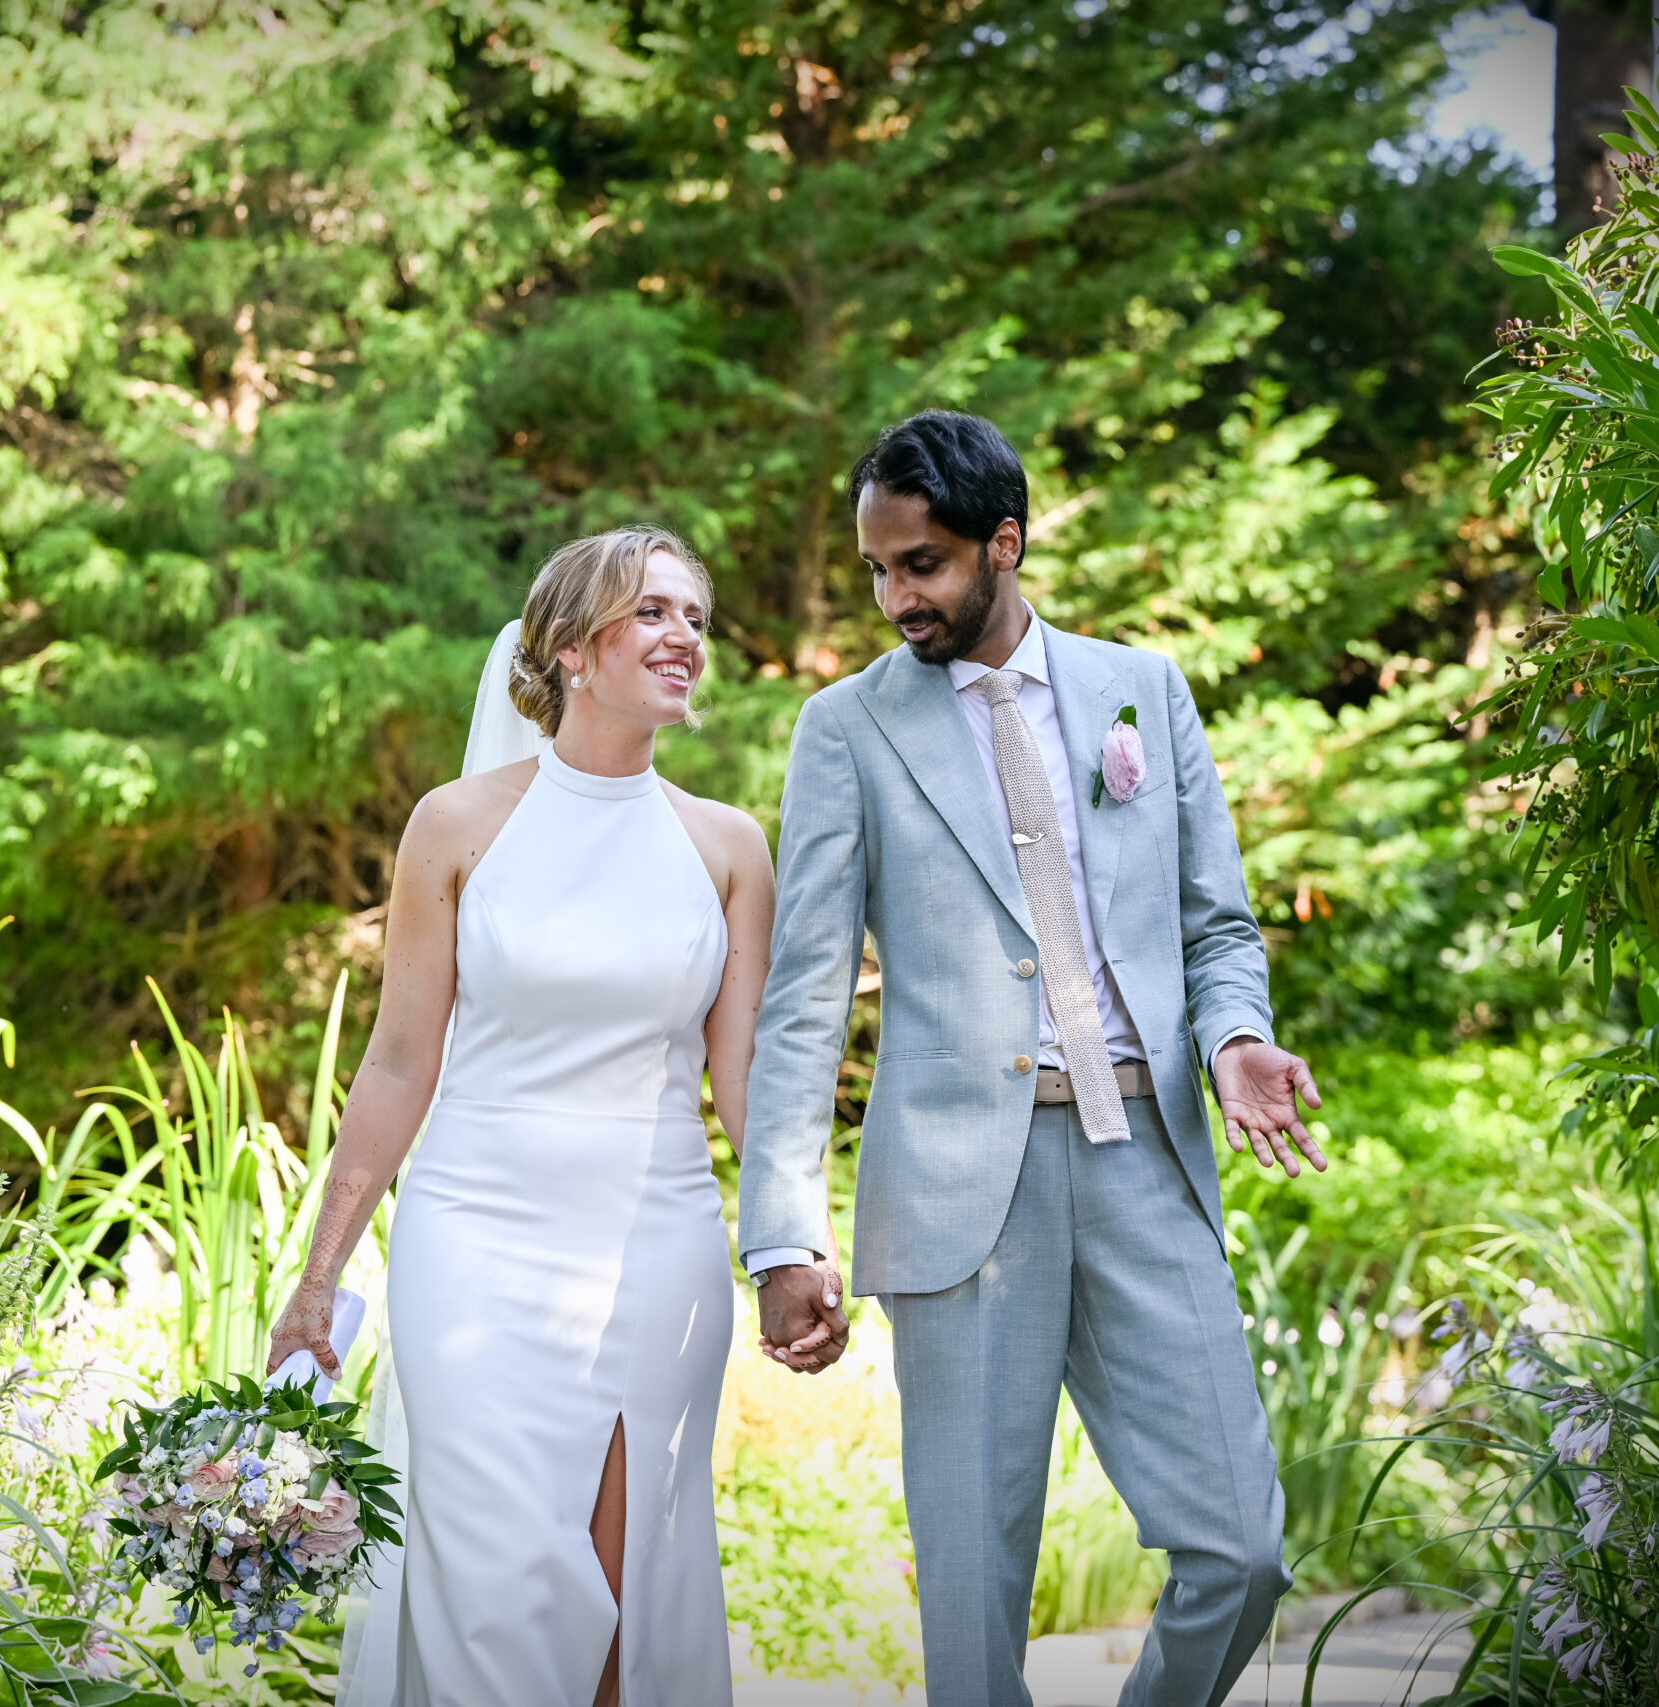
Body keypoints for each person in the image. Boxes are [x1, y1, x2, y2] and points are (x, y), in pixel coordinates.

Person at [738, 411, 1330, 1707]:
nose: (897, 597)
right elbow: (805, 996)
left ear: (1003, 543)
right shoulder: (846, 728)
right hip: (957, 1191)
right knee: (972, 1601)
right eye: (878, 569)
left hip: (1145, 1159)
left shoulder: (1141, 692)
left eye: (924, 564)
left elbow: (1217, 925)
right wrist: (781, 1233)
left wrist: (1234, 1036)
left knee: (1241, 1550)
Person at [264, 527, 811, 1707]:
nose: (683, 637)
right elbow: (398, 1064)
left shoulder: (727, 847)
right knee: (492, 1590)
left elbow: (745, 1080)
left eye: (695, 617)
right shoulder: (455, 824)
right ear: (569, 646)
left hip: (655, 1247)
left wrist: (790, 1247)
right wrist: (318, 1277)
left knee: (627, 1593)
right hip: (473, 1241)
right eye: (651, 612)